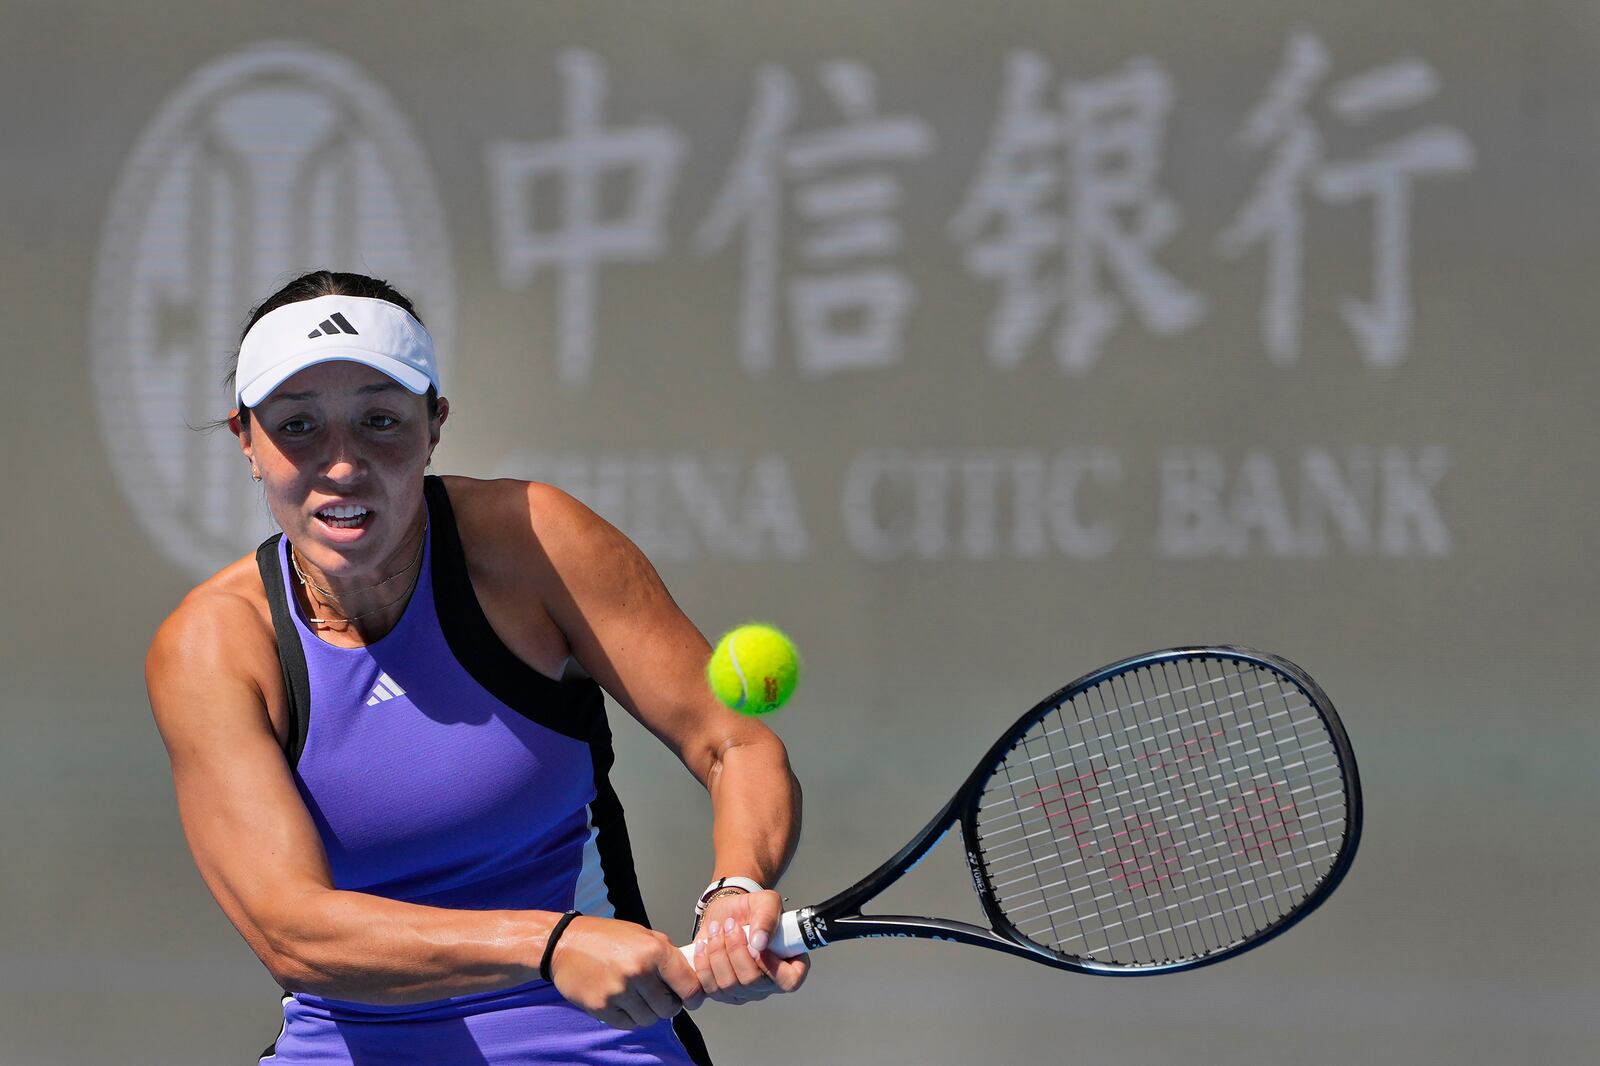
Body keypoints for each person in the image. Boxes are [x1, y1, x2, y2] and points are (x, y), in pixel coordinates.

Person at [145, 271, 807, 1064]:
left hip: (596, 1044)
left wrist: (736, 889)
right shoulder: (211, 646)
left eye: (380, 421)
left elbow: (735, 744)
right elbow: (293, 931)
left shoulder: (537, 545)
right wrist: (549, 944)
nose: (342, 464)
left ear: (435, 426)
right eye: (298, 426)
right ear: (246, 441)